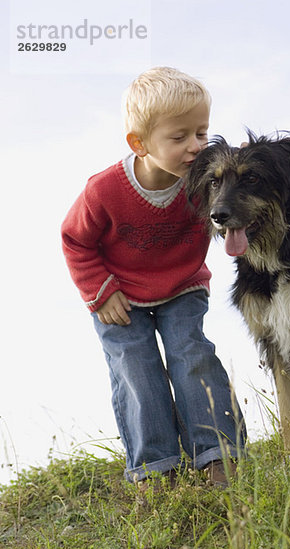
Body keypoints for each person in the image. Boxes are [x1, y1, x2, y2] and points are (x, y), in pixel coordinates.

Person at [61, 66, 246, 488]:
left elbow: (236, 207)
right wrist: (99, 292)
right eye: (179, 137)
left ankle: (217, 456)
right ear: (139, 144)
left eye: (201, 132)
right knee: (135, 369)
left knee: (191, 355)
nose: (196, 147)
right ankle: (155, 468)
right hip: (118, 295)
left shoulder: (206, 183)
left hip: (182, 286)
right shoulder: (103, 191)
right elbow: (75, 240)